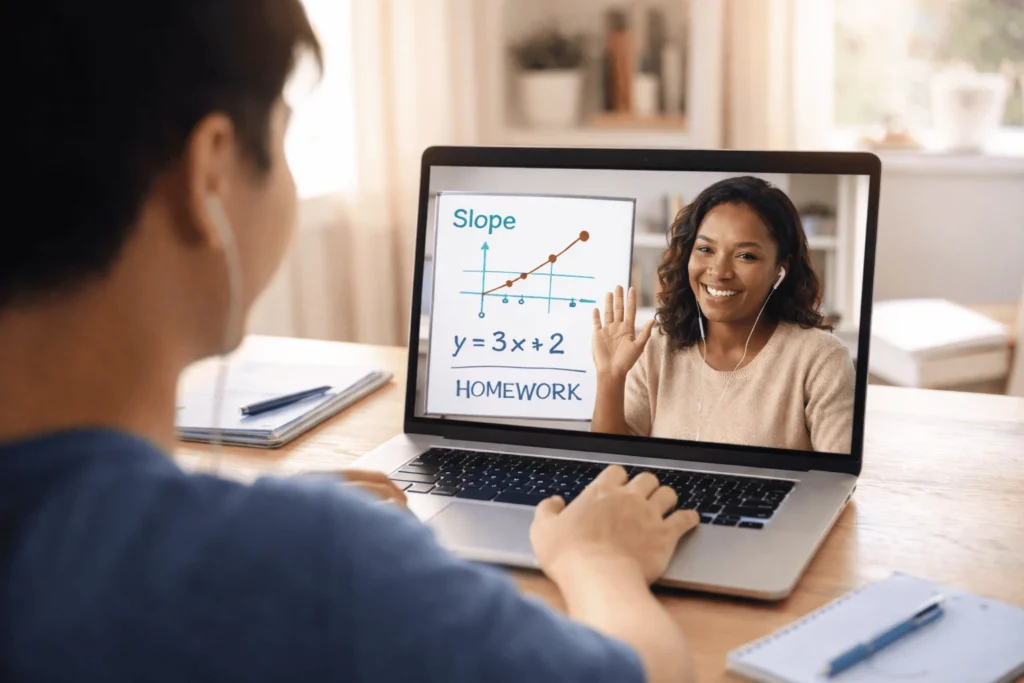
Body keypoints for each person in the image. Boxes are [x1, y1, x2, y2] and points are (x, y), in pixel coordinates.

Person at [0, 2, 702, 682]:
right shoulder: (317, 565)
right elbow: (647, 673)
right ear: (208, 172)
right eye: (282, 136)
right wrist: (595, 560)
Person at [591, 176, 855, 453]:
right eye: (705, 249)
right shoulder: (657, 346)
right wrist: (610, 375)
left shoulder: (821, 359)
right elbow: (610, 468)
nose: (720, 272)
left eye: (745, 256)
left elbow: (836, 484)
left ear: (779, 269)